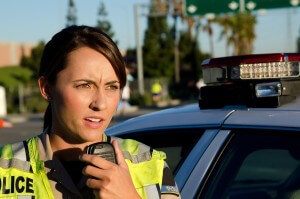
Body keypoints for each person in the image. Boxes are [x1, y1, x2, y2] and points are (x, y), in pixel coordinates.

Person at [0, 25, 180, 199]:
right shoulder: (5, 168)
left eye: (112, 87)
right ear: (47, 88)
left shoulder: (149, 163)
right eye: (84, 85)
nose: (100, 103)